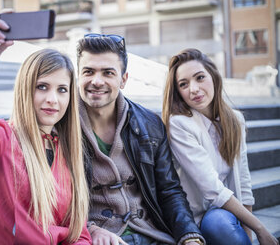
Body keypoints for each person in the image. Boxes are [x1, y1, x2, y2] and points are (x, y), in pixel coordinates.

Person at [0, 16, 91, 244]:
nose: (52, 99)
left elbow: (78, 234)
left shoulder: (69, 151)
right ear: (25, 89)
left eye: (62, 89)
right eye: (42, 87)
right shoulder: (1, 137)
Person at [76, 34, 205, 245]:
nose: (97, 81)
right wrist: (89, 227)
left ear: (123, 79)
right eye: (88, 72)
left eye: (108, 73)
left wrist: (189, 236)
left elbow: (169, 190)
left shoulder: (150, 124)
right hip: (96, 237)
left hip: (151, 232)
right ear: (78, 76)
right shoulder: (61, 126)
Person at [162, 48, 278, 245]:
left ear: (214, 77)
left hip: (224, 213)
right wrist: (260, 228)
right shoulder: (179, 123)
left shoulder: (235, 120)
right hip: (193, 219)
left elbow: (243, 181)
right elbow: (212, 189)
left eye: (200, 78)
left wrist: (248, 235)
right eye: (184, 84)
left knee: (221, 221)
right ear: (178, 92)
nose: (194, 89)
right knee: (218, 223)